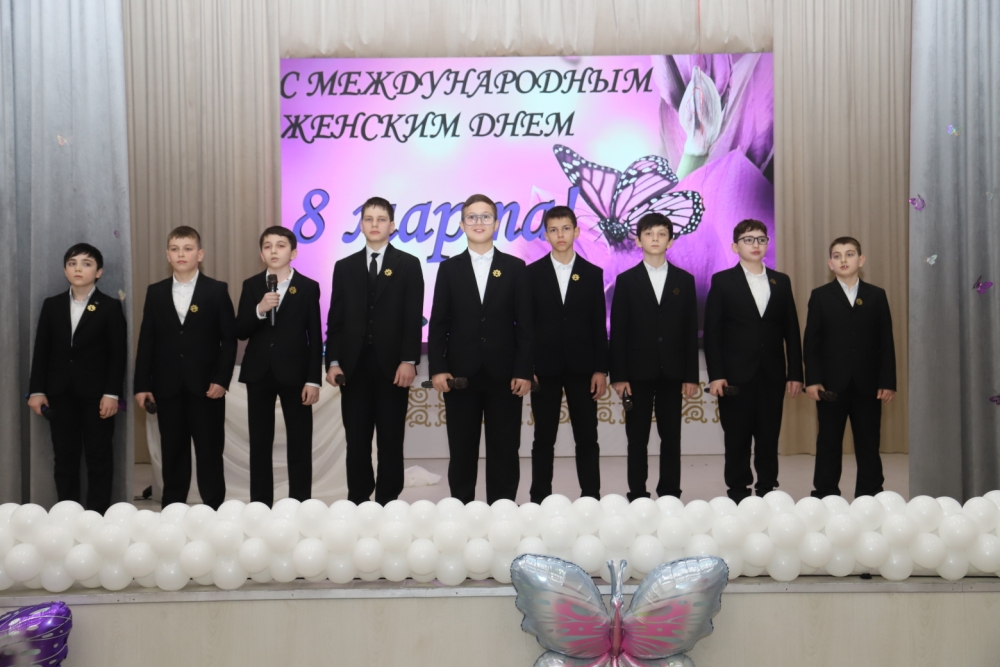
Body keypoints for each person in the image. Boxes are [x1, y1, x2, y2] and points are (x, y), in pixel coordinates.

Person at [428, 194, 533, 503]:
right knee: (462, 449)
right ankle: (461, 511)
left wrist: (524, 370)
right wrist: (438, 368)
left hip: (506, 375)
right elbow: (438, 324)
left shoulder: (515, 267)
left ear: (496, 224)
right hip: (460, 375)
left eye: (485, 216)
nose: (479, 222)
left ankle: (503, 511)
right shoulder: (449, 269)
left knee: (505, 448)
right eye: (472, 217)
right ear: (462, 225)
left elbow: (526, 325)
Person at [326, 197, 424, 505]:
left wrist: (409, 360)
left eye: (381, 219)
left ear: (392, 226)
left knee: (391, 440)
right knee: (356, 441)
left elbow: (412, 318)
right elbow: (336, 319)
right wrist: (333, 361)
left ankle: (388, 500)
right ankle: (358, 500)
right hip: (352, 368)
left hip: (393, 367)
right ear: (361, 225)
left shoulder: (408, 264)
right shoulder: (345, 267)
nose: (374, 224)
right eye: (368, 219)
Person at [134, 226, 237, 509]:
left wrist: (222, 380)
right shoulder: (155, 292)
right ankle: (173, 510)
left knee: (209, 451)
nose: (181, 254)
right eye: (175, 249)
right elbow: (146, 341)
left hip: (206, 387)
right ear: (167, 255)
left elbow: (229, 340)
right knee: (173, 452)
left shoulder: (216, 290)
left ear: (199, 254)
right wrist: (142, 384)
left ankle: (214, 510)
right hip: (167, 387)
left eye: (188, 249)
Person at [704, 219, 803, 502]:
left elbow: (791, 331)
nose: (755, 244)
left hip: (772, 373)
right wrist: (716, 374)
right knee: (737, 437)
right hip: (735, 376)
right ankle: (738, 492)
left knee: (769, 436)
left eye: (761, 239)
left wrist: (795, 373)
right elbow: (712, 333)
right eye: (748, 240)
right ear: (735, 246)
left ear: (767, 244)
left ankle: (768, 489)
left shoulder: (781, 281)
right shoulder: (723, 281)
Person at [27, 243, 127, 514]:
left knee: (99, 456)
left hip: (98, 396)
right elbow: (42, 350)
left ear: (99, 272)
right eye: (72, 263)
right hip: (60, 393)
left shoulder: (110, 306)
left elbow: (118, 355)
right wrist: (36, 390)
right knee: (65, 457)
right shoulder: (52, 305)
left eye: (86, 263)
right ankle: (66, 514)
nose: (78, 269)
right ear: (65, 270)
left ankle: (97, 516)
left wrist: (112, 393)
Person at [609, 213, 699, 500]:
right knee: (637, 438)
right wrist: (619, 376)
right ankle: (637, 493)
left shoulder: (684, 280)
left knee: (671, 437)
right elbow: (618, 331)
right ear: (638, 240)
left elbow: (690, 331)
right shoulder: (626, 280)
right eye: (649, 234)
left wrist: (691, 376)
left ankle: (670, 493)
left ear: (670, 241)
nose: (655, 239)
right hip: (636, 374)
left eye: (662, 234)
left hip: (673, 372)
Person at [236, 226, 322, 507]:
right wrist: (259, 309)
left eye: (281, 245)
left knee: (299, 442)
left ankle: (299, 504)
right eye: (268, 246)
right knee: (260, 443)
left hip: (296, 374)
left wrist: (313, 379)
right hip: (259, 372)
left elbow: (314, 335)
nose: (274, 250)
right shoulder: (252, 285)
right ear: (261, 254)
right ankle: (261, 505)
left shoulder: (308, 287)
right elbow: (240, 329)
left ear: (293, 253)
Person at [527, 206, 608, 503]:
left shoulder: (592, 273)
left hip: (583, 369)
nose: (560, 235)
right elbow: (525, 324)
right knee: (543, 438)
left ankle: (591, 497)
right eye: (553, 229)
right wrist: (527, 366)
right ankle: (539, 499)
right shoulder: (531, 274)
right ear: (545, 235)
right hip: (543, 369)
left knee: (587, 437)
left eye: (565, 228)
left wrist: (600, 369)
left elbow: (599, 325)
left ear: (576, 231)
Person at [804, 237, 896, 498]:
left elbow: (886, 341)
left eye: (850, 254)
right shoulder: (820, 296)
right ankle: (825, 494)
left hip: (868, 385)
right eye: (837, 255)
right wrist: (813, 379)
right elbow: (811, 342)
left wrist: (887, 381)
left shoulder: (876, 295)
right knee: (828, 442)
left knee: (869, 442)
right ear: (830, 263)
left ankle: (870, 494)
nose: (843, 260)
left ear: (861, 260)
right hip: (830, 385)